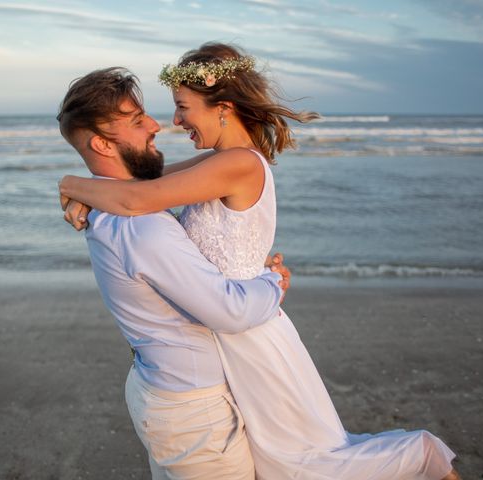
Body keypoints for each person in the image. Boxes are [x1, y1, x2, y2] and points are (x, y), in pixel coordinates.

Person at [59, 44, 461, 480]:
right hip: (231, 332)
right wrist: (89, 192)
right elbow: (145, 181)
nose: (173, 121)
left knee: (299, 464)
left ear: (224, 108)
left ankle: (422, 459)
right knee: (278, 462)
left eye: (182, 107)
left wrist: (71, 183)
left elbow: (137, 197)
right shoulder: (220, 161)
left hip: (248, 331)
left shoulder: (238, 164)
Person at [56, 66, 293, 479]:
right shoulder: (140, 225)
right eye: (136, 121)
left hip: (167, 392)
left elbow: (167, 181)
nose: (158, 125)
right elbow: (230, 312)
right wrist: (273, 282)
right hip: (193, 412)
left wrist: (76, 185)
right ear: (100, 142)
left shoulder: (113, 206)